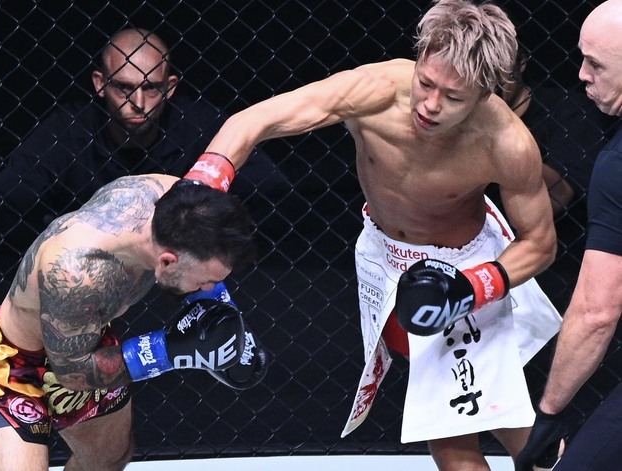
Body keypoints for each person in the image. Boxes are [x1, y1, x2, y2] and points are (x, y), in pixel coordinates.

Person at [180, 0, 563, 468]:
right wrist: (200, 185)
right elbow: (253, 121)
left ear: (485, 93)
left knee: (488, 430)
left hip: (464, 268)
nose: (430, 105)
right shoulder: (375, 91)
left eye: (453, 97)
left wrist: (469, 288)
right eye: (426, 82)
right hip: (387, 264)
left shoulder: (506, 143)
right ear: (420, 58)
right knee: (453, 429)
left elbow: (540, 243)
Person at [0, 174, 268, 470]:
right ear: (167, 261)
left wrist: (220, 309)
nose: (207, 289)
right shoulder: (79, 272)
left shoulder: (175, 199)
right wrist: (169, 350)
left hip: (86, 343)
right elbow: (71, 374)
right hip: (17, 366)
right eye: (206, 282)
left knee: (107, 462)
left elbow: (231, 143)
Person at [0, 27, 289, 255]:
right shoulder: (67, 129)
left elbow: (275, 193)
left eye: (151, 87)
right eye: (123, 87)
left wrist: (205, 235)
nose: (138, 102)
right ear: (100, 84)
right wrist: (58, 242)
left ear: (170, 87)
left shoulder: (199, 124)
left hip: (182, 266)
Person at [514, 1, 622, 469]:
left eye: (596, 64)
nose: (581, 75)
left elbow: (597, 311)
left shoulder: (617, 167)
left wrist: (549, 414)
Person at [495, 46, 609, 313]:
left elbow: (560, 194)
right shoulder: (458, 116)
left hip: (557, 268)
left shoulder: (568, 110)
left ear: (520, 63)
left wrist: (498, 137)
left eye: (498, 70)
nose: (489, 82)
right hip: (482, 255)